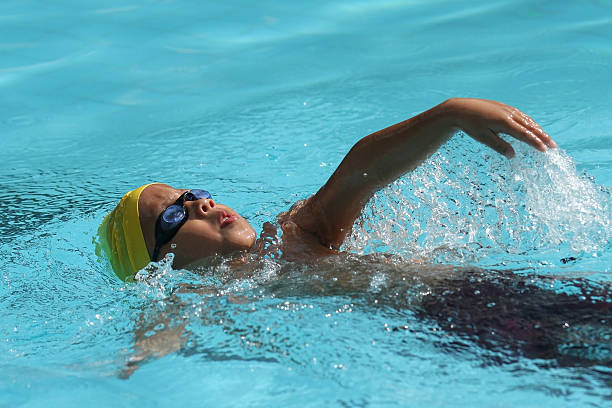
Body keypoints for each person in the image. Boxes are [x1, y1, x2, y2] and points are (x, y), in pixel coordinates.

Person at [97, 98, 556, 281]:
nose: (201, 203)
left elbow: (361, 172)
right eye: (175, 215)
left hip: (472, 300)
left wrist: (450, 114)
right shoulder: (199, 297)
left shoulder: (288, 237)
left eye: (191, 193)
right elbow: (163, 325)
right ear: (158, 265)